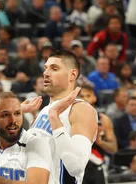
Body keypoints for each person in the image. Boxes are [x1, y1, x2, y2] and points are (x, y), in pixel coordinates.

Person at [28, 50, 98, 184]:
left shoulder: (80, 109)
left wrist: (54, 117)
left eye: (54, 68)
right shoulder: (43, 112)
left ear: (72, 75)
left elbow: (76, 165)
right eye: (45, 68)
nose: (46, 73)